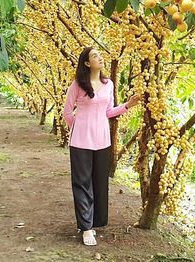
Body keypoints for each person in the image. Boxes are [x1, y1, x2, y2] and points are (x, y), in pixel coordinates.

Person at [63, 47, 141, 246]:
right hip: (80, 140)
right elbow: (67, 113)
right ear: (87, 63)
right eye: (95, 56)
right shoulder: (78, 85)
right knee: (82, 183)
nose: (100, 58)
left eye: (100, 55)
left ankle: (95, 221)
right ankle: (86, 227)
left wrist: (127, 105)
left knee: (99, 181)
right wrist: (78, 128)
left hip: (102, 140)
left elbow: (108, 112)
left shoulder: (108, 84)